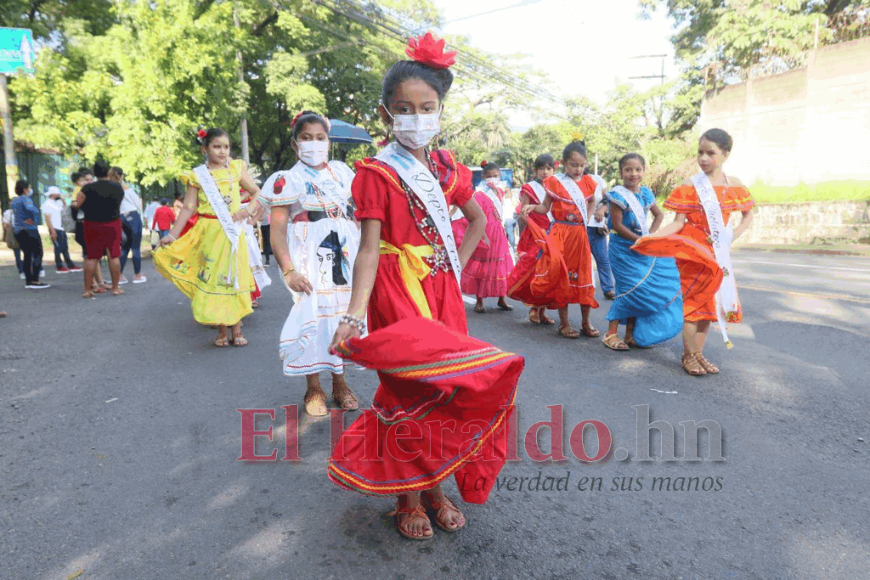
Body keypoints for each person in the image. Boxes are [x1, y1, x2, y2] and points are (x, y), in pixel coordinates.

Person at [326, 33, 522, 542]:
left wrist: (451, 259)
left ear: (440, 109)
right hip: (396, 291)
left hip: (440, 287)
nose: (416, 117)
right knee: (406, 389)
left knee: (447, 389)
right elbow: (369, 249)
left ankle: (436, 487)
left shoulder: (446, 169)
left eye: (427, 108)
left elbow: (477, 218)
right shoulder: (374, 172)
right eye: (404, 109)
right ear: (387, 112)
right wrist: (351, 315)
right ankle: (407, 497)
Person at [260, 110, 360, 416]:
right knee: (313, 315)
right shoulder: (286, 180)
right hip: (307, 253)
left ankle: (340, 382)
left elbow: (357, 213)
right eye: (306, 138)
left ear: (328, 142)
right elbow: (277, 230)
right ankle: (313, 387)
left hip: (343, 249)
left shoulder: (343, 173)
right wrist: (289, 269)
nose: (313, 144)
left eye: (319, 138)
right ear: (294, 144)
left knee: (343, 315)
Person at [636, 128, 755, 375]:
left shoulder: (733, 184)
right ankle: (688, 356)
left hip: (717, 252)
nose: (703, 158)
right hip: (692, 251)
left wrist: (732, 235)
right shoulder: (690, 186)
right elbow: (678, 223)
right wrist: (651, 237)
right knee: (691, 304)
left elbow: (748, 214)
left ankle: (698, 353)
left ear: (725, 154)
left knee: (708, 306)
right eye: (700, 152)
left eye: (710, 153)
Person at [153, 127, 262, 347]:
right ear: (205, 148)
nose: (222, 151)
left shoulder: (235, 169)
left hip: (232, 233)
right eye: (216, 146)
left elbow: (258, 192)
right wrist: (172, 235)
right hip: (209, 233)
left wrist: (246, 211)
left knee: (234, 278)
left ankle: (237, 329)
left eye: (226, 147)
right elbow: (188, 208)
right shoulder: (197, 175)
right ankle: (222, 330)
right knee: (214, 279)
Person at [520, 141, 600, 338]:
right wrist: (532, 208)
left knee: (584, 276)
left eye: (581, 165)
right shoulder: (555, 183)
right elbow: (545, 208)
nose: (578, 169)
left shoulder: (589, 182)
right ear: (564, 163)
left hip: (579, 234)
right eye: (574, 165)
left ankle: (585, 322)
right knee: (562, 275)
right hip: (560, 234)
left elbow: (593, 201)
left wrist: (587, 217)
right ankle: (564, 324)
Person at [602, 154, 682, 350]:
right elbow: (618, 226)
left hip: (641, 248)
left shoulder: (646, 194)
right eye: (628, 170)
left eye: (638, 169)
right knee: (627, 288)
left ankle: (630, 334)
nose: (633, 174)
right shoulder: (617, 195)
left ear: (643, 172)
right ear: (621, 172)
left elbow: (659, 215)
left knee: (641, 289)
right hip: (622, 248)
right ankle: (610, 333)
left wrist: (651, 237)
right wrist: (640, 240)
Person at [453, 161, 514, 313]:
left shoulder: (500, 192)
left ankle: (502, 298)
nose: (492, 179)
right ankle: (479, 300)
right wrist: (481, 235)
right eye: (489, 176)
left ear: (499, 176)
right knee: (482, 267)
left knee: (500, 265)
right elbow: (477, 217)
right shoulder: (479, 194)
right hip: (485, 231)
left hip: (499, 233)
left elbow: (503, 213)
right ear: (483, 177)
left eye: (495, 176)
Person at [515, 154, 556, 325]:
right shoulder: (530, 188)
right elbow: (522, 213)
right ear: (536, 170)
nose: (544, 172)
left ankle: (543, 309)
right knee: (534, 273)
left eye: (548, 168)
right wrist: (534, 229)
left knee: (549, 273)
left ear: (554, 169)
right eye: (541, 168)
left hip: (552, 234)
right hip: (534, 235)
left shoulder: (557, 186)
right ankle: (533, 308)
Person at [76, 161, 125, 297]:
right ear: (108, 172)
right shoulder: (117, 187)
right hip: (113, 223)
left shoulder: (87, 188)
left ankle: (87, 289)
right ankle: (116, 288)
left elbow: (78, 203)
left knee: (92, 256)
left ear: (94, 172)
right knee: (114, 254)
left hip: (92, 223)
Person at [10, 180, 50, 289]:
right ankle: (35, 280)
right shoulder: (26, 199)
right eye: (29, 187)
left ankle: (29, 280)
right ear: (25, 189)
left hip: (18, 230)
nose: (30, 189)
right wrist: (34, 216)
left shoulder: (14, 201)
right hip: (29, 229)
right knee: (38, 253)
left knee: (27, 254)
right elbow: (33, 210)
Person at [110, 167, 146, 284]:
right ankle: (137, 274)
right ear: (122, 176)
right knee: (135, 247)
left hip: (119, 218)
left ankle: (120, 276)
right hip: (132, 216)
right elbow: (137, 204)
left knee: (124, 247)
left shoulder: (110, 189)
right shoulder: (127, 189)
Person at [585, 166, 616, 300]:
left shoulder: (597, 179)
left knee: (603, 259)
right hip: (577, 226)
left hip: (596, 227)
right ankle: (579, 290)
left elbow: (607, 200)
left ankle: (608, 288)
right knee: (580, 261)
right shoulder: (565, 182)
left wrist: (602, 210)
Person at [42, 185, 81, 273]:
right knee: (58, 247)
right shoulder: (47, 204)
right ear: (53, 194)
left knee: (64, 247)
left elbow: (65, 208)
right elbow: (47, 218)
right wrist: (52, 231)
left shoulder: (56, 203)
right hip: (55, 227)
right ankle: (59, 265)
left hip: (61, 227)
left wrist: (62, 200)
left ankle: (69, 264)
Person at [3, 206, 24, 279]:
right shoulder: (23, 211)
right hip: (23, 232)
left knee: (17, 254)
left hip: (13, 234)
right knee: (27, 252)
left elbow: (5, 225)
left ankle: (21, 271)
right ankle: (27, 268)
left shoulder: (8, 212)